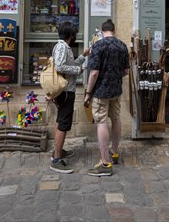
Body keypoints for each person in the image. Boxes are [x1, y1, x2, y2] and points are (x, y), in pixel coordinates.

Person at [84, 19, 129, 176]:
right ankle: (115, 153)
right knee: (116, 119)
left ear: (102, 32)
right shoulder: (122, 46)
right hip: (116, 90)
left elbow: (94, 72)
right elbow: (126, 71)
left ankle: (105, 162)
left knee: (101, 122)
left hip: (101, 92)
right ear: (113, 30)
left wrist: (88, 92)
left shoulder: (98, 46)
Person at [49, 21, 89, 174]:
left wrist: (83, 56)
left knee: (61, 121)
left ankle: (58, 151)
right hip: (65, 90)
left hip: (66, 89)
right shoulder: (61, 47)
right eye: (74, 34)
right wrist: (78, 69)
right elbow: (60, 67)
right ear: (71, 35)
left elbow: (68, 64)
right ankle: (57, 160)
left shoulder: (63, 47)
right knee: (63, 123)